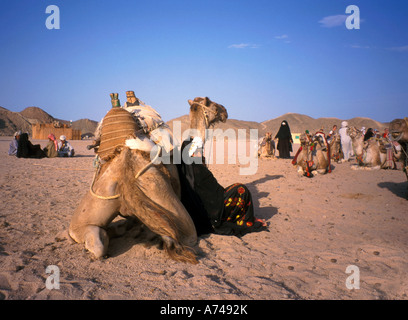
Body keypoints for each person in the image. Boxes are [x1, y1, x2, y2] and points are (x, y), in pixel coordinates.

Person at [177, 138, 267, 237]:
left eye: (201, 150)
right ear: (191, 154)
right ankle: (247, 220)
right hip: (214, 211)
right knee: (241, 189)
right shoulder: (199, 169)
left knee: (234, 189)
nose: (200, 153)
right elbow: (216, 193)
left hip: (201, 211)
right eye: (198, 152)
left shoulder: (185, 169)